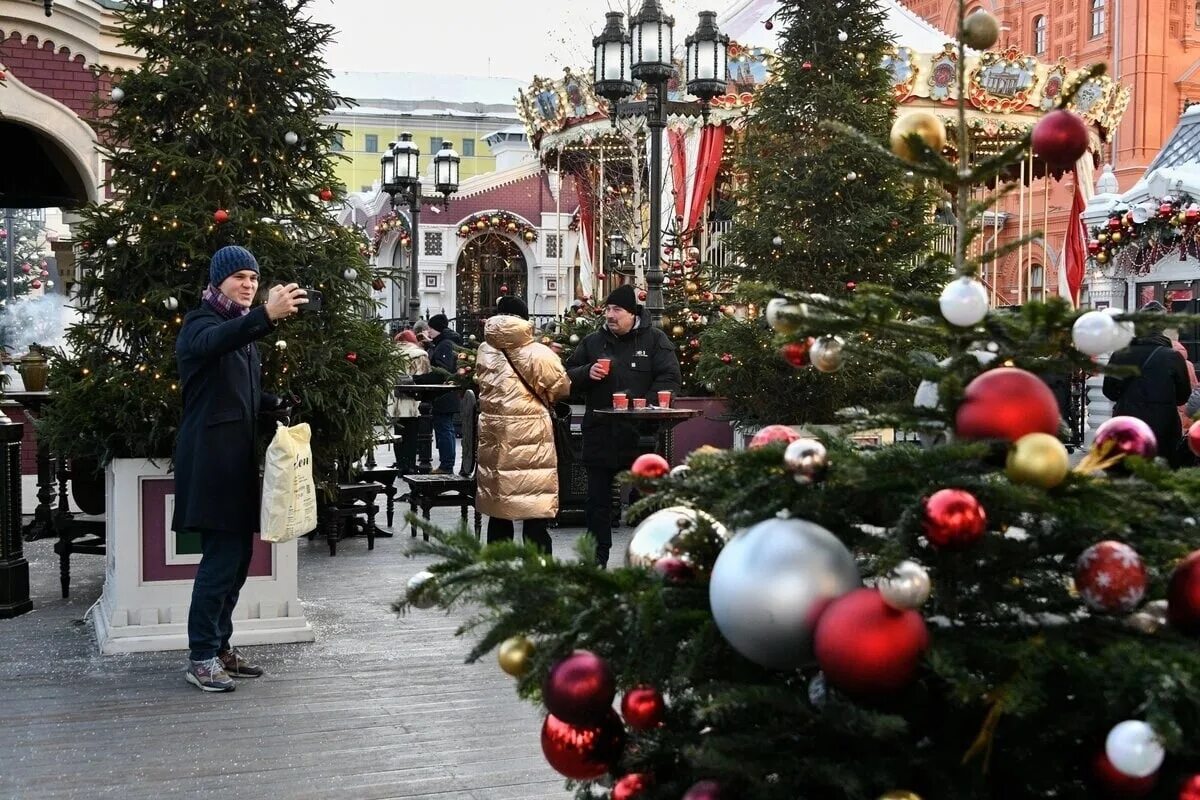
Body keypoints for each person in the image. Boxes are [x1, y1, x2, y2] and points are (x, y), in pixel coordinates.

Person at [173, 245, 306, 692]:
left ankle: (220, 646)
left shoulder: (240, 334)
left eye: (253, 277)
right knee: (221, 561)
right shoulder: (202, 323)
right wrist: (266, 315)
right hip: (211, 463)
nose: (248, 284)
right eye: (239, 278)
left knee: (237, 562)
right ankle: (201, 656)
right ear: (218, 282)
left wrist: (273, 404)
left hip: (236, 463)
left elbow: (237, 395)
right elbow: (213, 345)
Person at [564, 284, 682, 567]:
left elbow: (669, 377)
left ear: (632, 314)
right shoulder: (592, 342)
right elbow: (566, 375)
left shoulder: (654, 340)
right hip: (600, 432)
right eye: (607, 309)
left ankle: (650, 559)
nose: (610, 315)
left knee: (647, 501)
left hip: (640, 435)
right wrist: (586, 373)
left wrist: (647, 405)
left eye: (616, 310)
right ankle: (595, 559)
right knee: (597, 503)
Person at [474, 296, 570, 553]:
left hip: (495, 438)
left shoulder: (485, 350)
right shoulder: (538, 353)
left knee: (499, 508)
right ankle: (537, 570)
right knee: (534, 508)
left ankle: (497, 568)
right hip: (532, 441)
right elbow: (560, 389)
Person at [1103, 301, 1191, 467]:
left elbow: (1109, 391)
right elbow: (1182, 397)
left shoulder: (1120, 355)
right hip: (1163, 427)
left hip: (1128, 424)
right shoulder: (1173, 357)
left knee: (1128, 472)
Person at [426, 314, 462, 473]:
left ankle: (446, 465)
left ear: (437, 329)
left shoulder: (444, 344)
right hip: (443, 394)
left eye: (430, 328)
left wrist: (421, 378)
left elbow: (442, 369)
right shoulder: (441, 343)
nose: (428, 331)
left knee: (444, 428)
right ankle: (445, 464)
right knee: (444, 427)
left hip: (444, 394)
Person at [392, 329, 431, 473]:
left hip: (395, 401)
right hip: (414, 401)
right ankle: (410, 464)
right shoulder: (419, 355)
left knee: (398, 434)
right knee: (413, 435)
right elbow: (423, 378)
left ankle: (401, 464)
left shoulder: (392, 354)